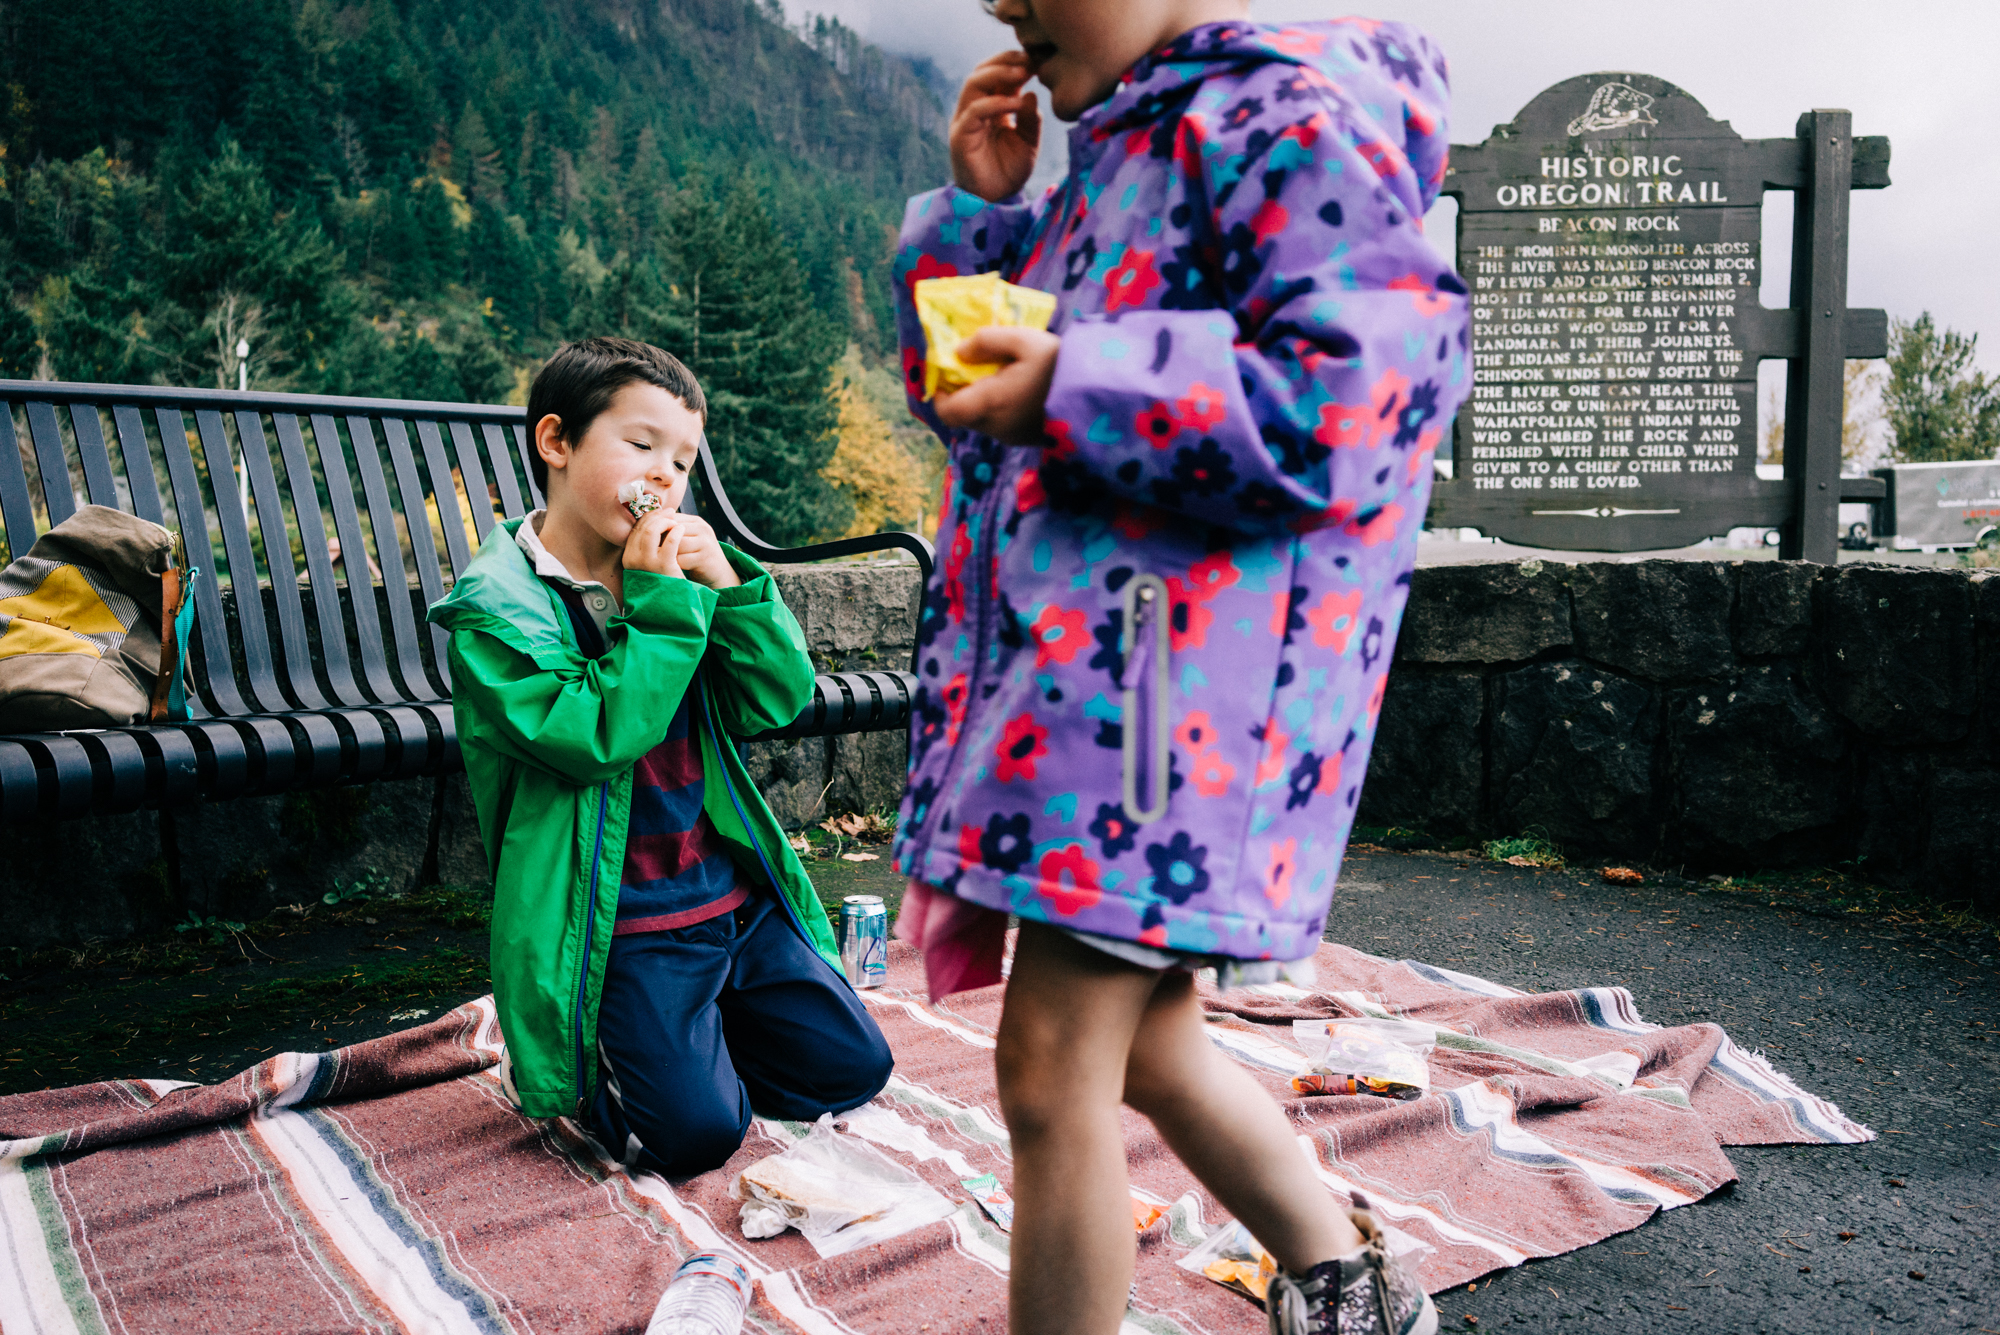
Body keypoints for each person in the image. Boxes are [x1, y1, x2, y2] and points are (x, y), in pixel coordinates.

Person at [888, 2, 1467, 1332]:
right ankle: (1351, 1280)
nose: (1002, 4)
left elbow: (1352, 399)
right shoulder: (1126, 143)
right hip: (1111, 701)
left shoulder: (1287, 113)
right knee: (1146, 1047)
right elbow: (983, 399)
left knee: (1047, 1074)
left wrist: (1077, 378)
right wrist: (989, 215)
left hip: (1177, 715)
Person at [430, 337, 891, 1177]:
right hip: (623, 923)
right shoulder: (497, 609)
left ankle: (695, 1038)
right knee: (699, 1137)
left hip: (724, 895)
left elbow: (774, 699)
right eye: (641, 446)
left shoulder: (672, 574)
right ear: (558, 443)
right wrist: (671, 611)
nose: (665, 476)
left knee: (855, 1067)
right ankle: (630, 1054)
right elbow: (591, 734)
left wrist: (733, 591)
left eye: (682, 459)